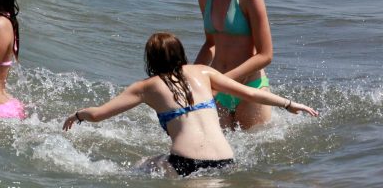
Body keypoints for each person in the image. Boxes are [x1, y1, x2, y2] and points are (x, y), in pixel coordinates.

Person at [63, 33, 318, 177]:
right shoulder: (203, 73)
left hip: (187, 163)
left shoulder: (146, 86)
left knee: (137, 168)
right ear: (181, 54)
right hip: (227, 160)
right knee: (147, 162)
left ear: (150, 61)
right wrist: (289, 104)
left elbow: (97, 115)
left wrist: (77, 114)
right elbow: (250, 93)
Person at [194, 0, 274, 129]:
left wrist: (222, 81)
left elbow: (265, 55)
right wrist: (190, 77)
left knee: (256, 155)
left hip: (248, 88)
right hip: (219, 90)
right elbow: (210, 43)